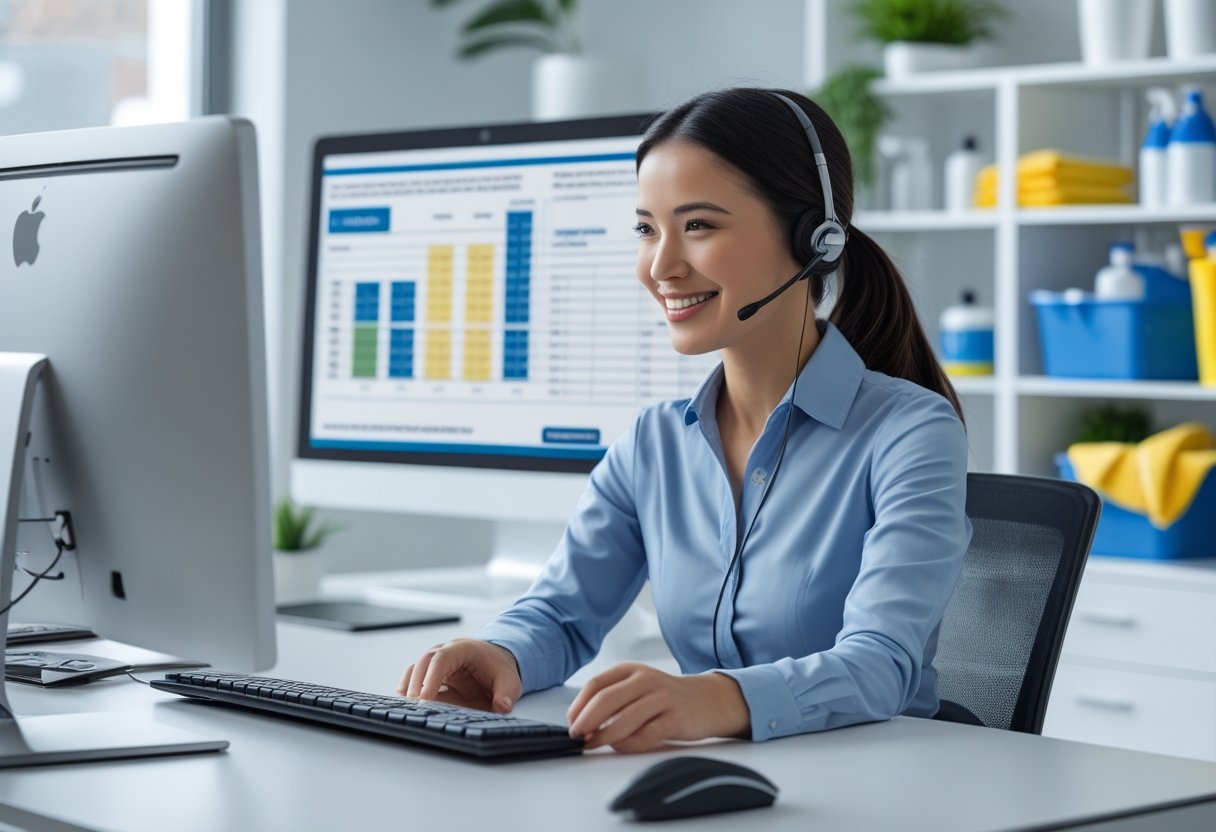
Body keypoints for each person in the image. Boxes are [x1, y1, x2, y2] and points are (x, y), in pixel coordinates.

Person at [398, 87, 972, 753]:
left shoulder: (909, 434)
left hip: (888, 786)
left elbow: (882, 666)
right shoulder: (655, 443)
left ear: (813, 238)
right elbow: (561, 613)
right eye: (647, 229)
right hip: (723, 782)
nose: (661, 267)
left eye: (698, 226)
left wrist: (715, 697)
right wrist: (503, 654)